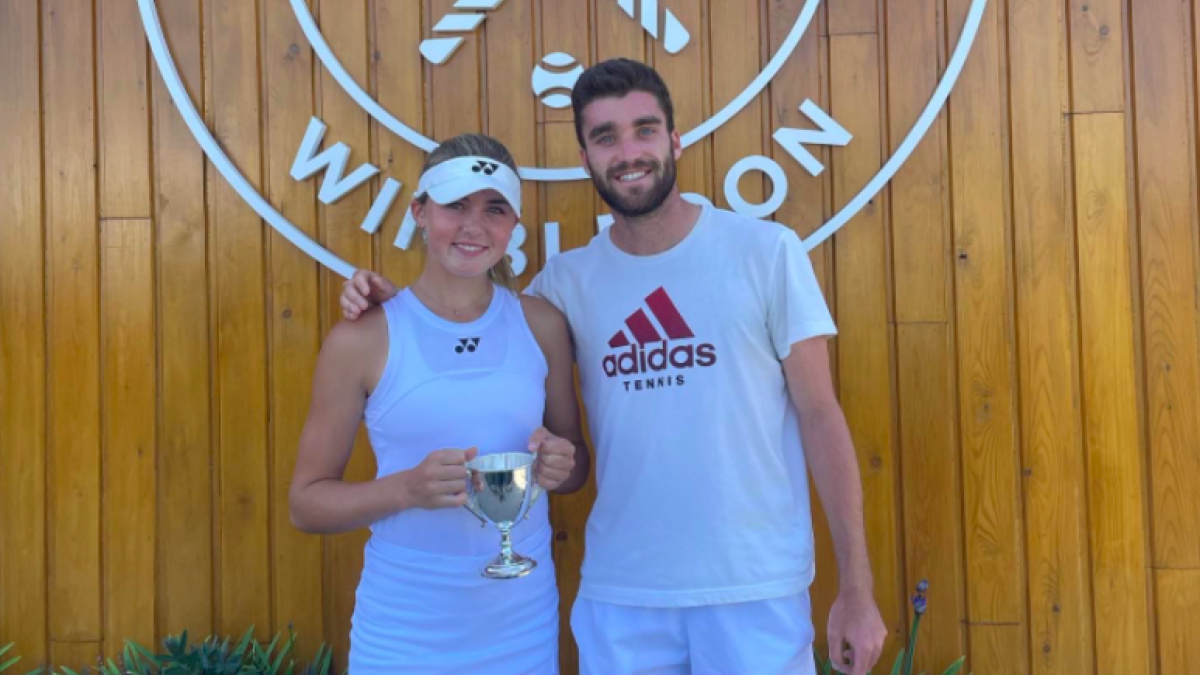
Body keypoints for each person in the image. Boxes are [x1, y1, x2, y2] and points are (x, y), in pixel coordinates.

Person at [341, 60, 887, 675]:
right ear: (586, 158)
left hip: (754, 589)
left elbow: (820, 416)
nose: (628, 152)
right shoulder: (564, 285)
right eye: (605, 137)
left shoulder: (765, 252)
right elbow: (469, 311)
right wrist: (385, 304)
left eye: (644, 130)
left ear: (675, 141)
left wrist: (857, 590)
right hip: (621, 599)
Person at [290, 133, 589, 674]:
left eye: (494, 209)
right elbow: (307, 504)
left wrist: (559, 463)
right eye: (456, 205)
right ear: (420, 212)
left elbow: (573, 471)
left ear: (514, 225)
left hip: (520, 620)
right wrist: (405, 489)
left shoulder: (542, 325)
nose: (474, 225)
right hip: (404, 626)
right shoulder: (363, 339)